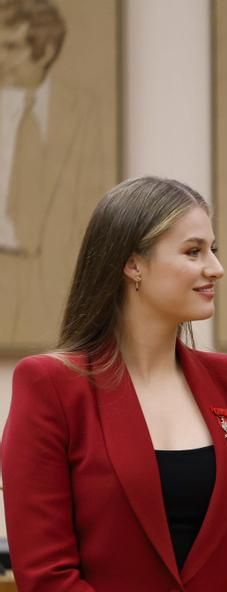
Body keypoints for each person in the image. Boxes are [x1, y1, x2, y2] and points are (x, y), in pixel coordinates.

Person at [0, 176, 227, 592]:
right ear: (132, 264)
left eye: (213, 249)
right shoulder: (50, 386)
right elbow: (47, 579)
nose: (215, 269)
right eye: (193, 251)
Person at [0, 0, 110, 346]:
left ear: (45, 51)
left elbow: (89, 203)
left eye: (11, 47)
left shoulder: (82, 111)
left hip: (54, 281)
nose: (0, 57)